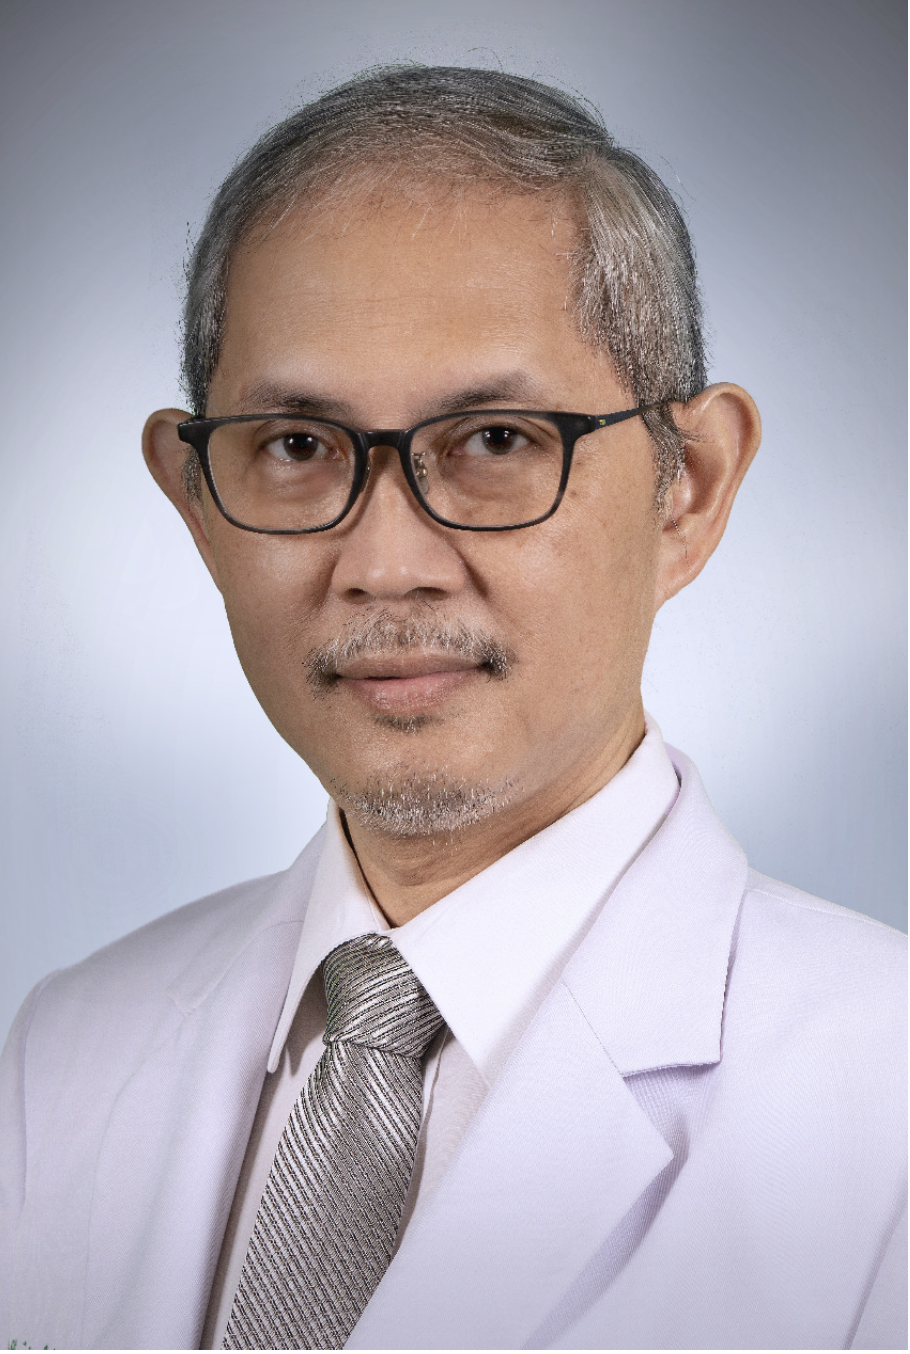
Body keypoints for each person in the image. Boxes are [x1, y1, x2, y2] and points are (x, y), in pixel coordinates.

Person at [0, 66, 904, 1353]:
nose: (386, 564)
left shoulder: (883, 1105)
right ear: (197, 504)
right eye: (297, 447)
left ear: (688, 488)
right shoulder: (61, 1055)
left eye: (494, 441)